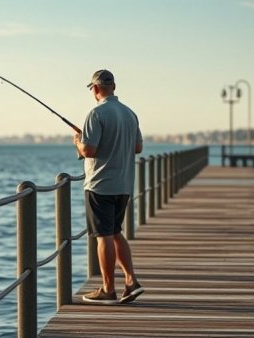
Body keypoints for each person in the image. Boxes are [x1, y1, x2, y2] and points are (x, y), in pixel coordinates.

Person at [73, 69, 144, 304]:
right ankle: (131, 281)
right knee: (115, 232)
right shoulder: (130, 113)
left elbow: (89, 151)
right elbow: (138, 147)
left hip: (100, 186)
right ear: (113, 87)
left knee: (103, 236)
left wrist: (78, 143)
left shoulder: (96, 113)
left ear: (94, 89)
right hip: (124, 184)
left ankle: (108, 289)